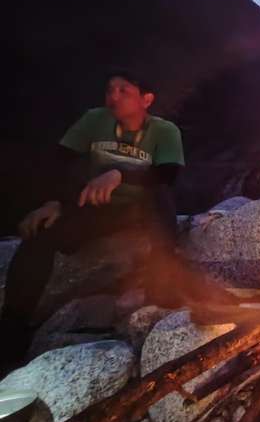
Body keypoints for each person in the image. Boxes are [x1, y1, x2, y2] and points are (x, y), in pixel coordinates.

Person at [0, 71, 235, 371]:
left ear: (146, 99)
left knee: (158, 195)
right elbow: (58, 163)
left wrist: (119, 174)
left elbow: (167, 174)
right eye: (110, 89)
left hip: (140, 213)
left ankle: (163, 281)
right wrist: (51, 202)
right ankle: (13, 329)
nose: (113, 96)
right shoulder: (94, 120)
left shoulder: (164, 131)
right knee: (40, 236)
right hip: (97, 210)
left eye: (124, 90)